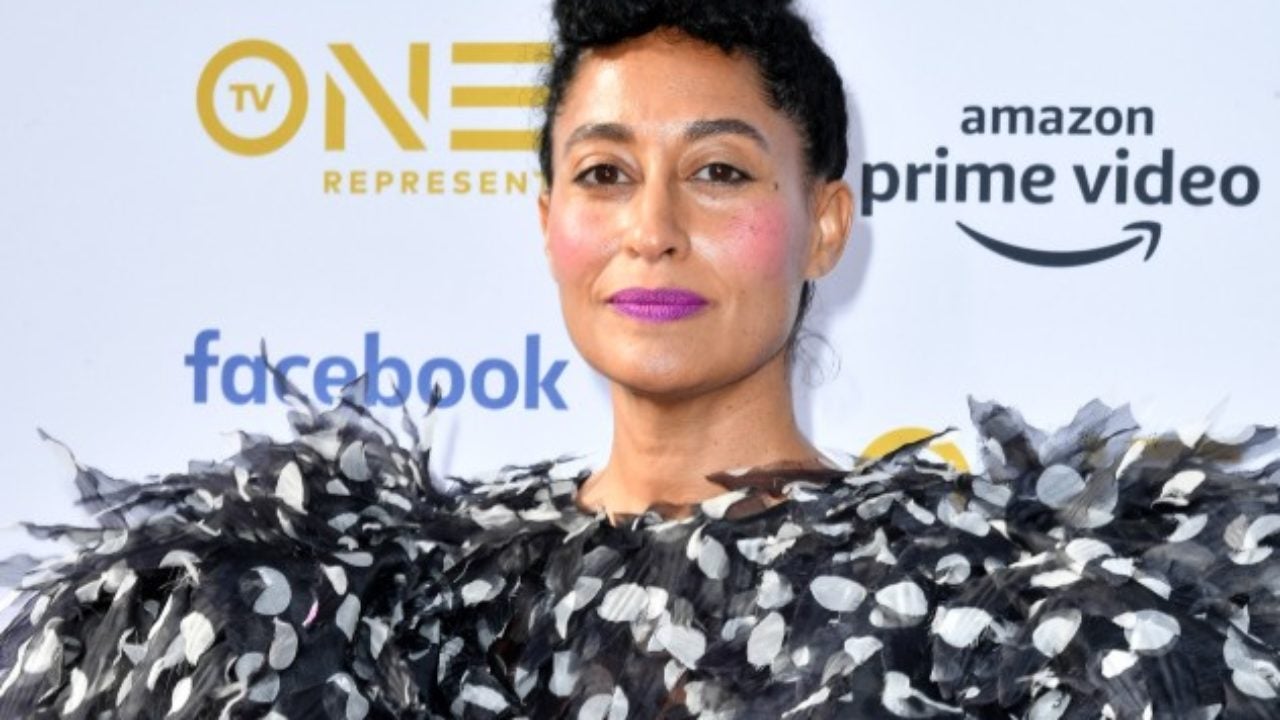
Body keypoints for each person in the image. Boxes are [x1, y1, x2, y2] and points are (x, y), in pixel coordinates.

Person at [2, 0, 1279, 717]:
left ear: (824, 222)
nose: (651, 229)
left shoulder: (999, 609)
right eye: (604, 174)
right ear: (547, 221)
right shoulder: (373, 601)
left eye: (717, 171)